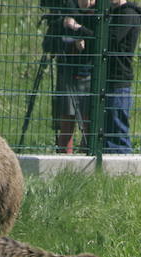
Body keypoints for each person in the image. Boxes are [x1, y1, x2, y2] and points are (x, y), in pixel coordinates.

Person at [62, 0, 141, 153]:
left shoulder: (128, 14)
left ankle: (122, 170)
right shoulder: (112, 13)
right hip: (104, 80)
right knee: (105, 134)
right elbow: (97, 34)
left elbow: (107, 42)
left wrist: (78, 28)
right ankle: (107, 171)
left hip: (117, 82)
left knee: (116, 133)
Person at [42, 0, 94, 153]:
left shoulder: (99, 12)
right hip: (67, 71)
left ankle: (87, 152)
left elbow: (101, 40)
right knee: (66, 121)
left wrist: (81, 33)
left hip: (89, 72)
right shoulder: (65, 10)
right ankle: (64, 157)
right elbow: (49, 44)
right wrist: (64, 25)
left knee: (88, 121)